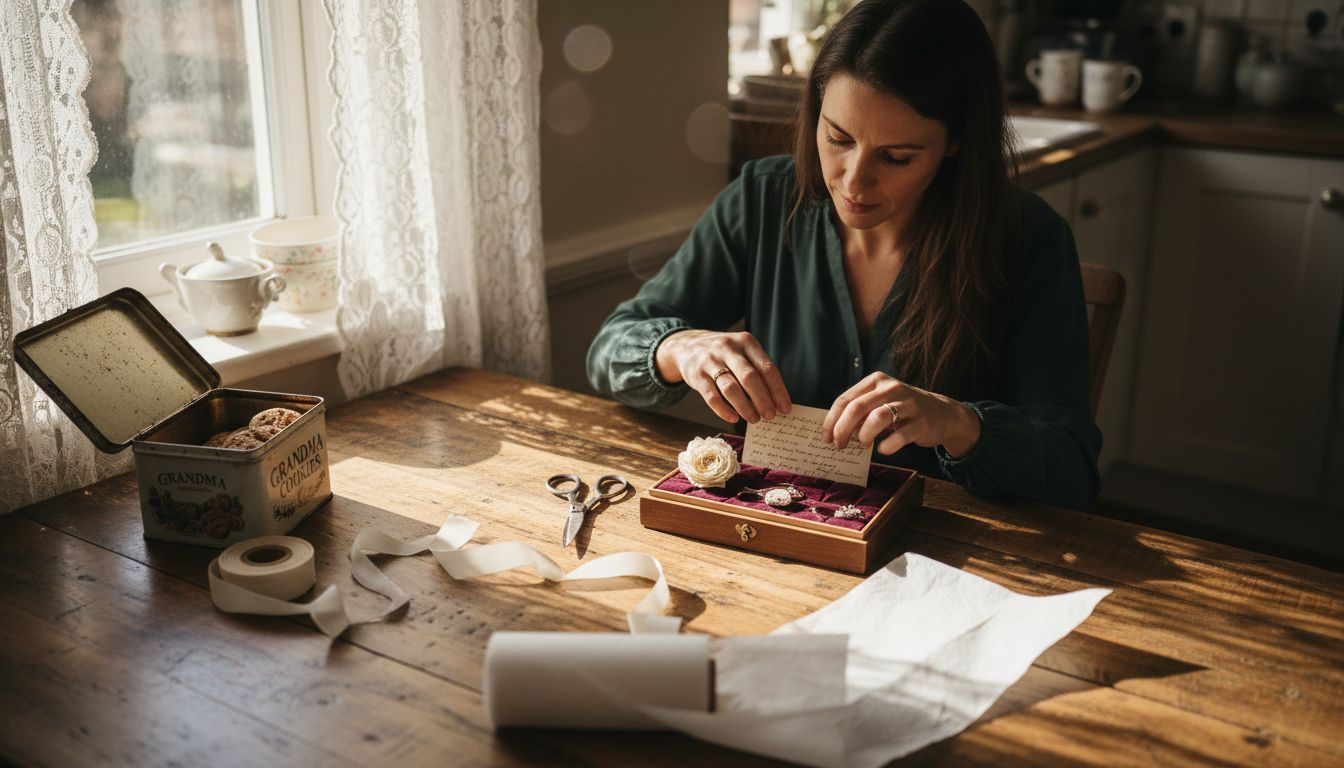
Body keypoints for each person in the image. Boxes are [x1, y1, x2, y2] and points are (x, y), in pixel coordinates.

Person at [586, 0, 1101, 510]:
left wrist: (959, 423)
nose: (853, 182)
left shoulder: (1028, 239)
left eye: (896, 157)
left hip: (941, 552)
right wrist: (679, 350)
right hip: (772, 532)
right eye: (838, 138)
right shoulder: (764, 198)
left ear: (957, 141)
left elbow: (1070, 468)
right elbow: (608, 350)